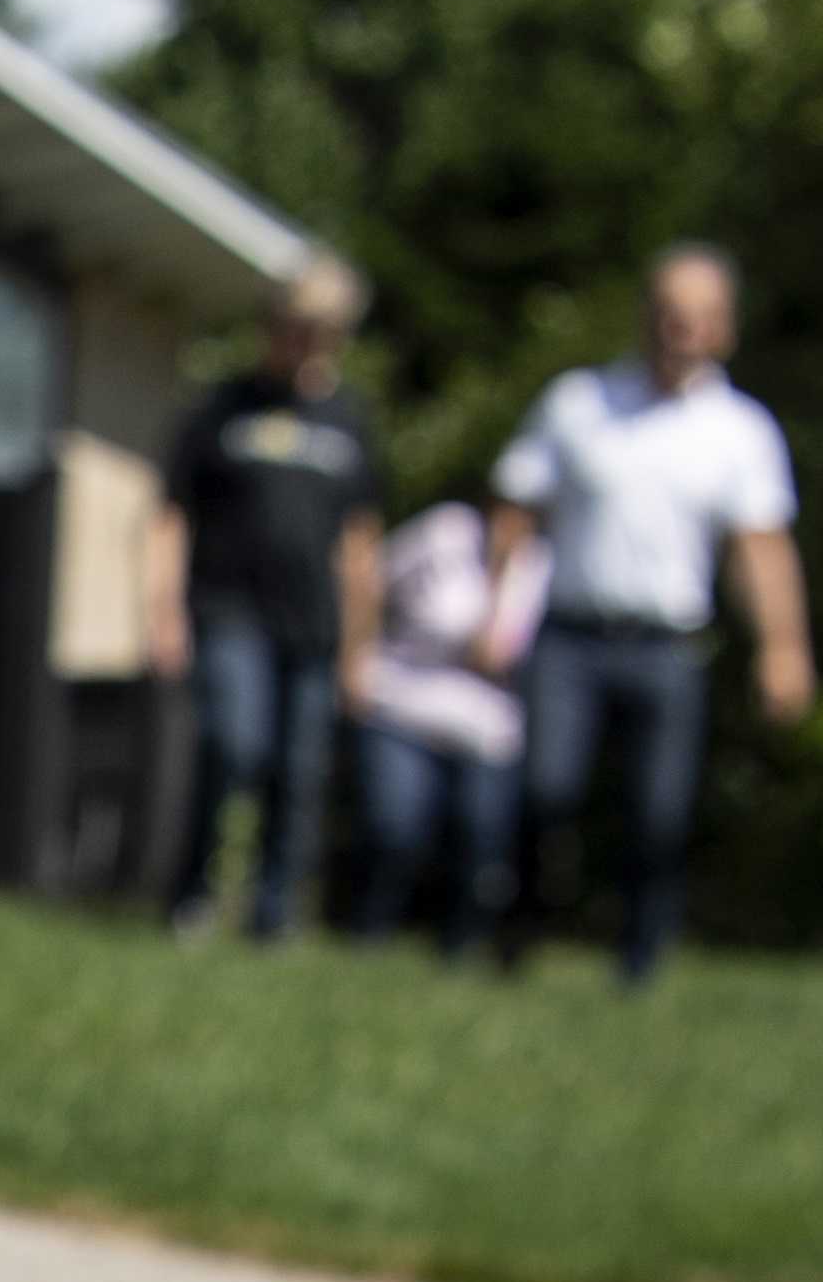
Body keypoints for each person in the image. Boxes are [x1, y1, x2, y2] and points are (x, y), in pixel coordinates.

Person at [479, 247, 812, 982]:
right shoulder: (578, 402)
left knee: (658, 814)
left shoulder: (741, 431)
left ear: (723, 328)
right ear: (645, 316)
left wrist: (783, 647)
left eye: (697, 317)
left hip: (669, 647)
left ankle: (639, 962)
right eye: (668, 312)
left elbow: (760, 550)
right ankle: (518, 938)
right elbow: (515, 511)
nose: (680, 330)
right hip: (569, 638)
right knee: (545, 791)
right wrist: (492, 612)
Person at [146, 253, 387, 941]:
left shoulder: (349, 421)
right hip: (228, 611)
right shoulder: (219, 410)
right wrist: (162, 611)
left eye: (324, 330)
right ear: (271, 324)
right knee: (232, 743)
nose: (308, 342)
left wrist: (360, 646)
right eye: (296, 326)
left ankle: (272, 920)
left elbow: (361, 542)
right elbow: (170, 516)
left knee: (297, 776)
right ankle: (192, 896)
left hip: (313, 625)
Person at [345, 502, 541, 951]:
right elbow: (371, 580)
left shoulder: (535, 569)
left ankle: (461, 946)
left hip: (484, 728)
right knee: (394, 825)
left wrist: (500, 577)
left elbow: (491, 653)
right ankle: (370, 934)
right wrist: (356, 655)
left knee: (480, 835)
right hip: (399, 701)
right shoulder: (444, 531)